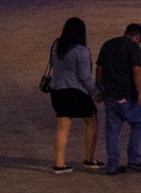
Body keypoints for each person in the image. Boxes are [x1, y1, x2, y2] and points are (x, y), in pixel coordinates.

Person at [43, 17, 100, 173]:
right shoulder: (80, 50)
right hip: (75, 91)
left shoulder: (57, 45)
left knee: (63, 127)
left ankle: (59, 164)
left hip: (57, 91)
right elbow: (85, 77)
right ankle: (89, 158)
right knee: (92, 121)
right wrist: (96, 92)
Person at [97, 23, 141, 175]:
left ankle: (113, 165)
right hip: (127, 95)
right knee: (139, 122)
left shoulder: (107, 44)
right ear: (137, 36)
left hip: (110, 95)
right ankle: (134, 160)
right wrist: (140, 93)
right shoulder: (133, 47)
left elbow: (99, 68)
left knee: (112, 130)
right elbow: (136, 71)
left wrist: (99, 90)